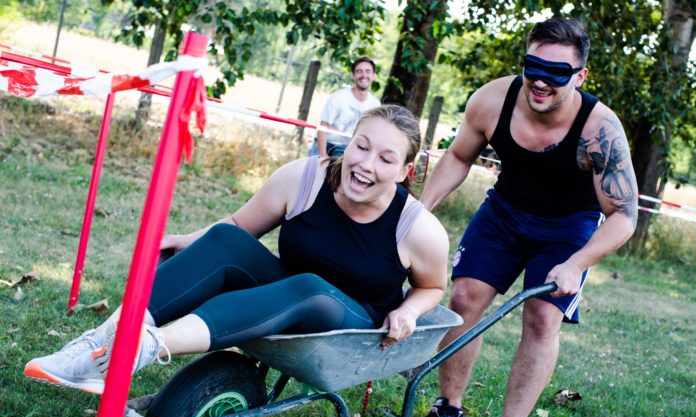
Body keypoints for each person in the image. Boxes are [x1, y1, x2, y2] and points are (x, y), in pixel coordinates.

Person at [24, 105, 449, 395]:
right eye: (362, 146)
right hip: (288, 296)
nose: (366, 165)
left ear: (405, 170)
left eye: (386, 158)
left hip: (353, 325)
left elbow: (433, 287)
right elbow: (238, 227)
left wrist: (409, 311)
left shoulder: (418, 229)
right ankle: (101, 344)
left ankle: (147, 346)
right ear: (349, 140)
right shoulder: (305, 178)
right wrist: (189, 241)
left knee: (309, 286)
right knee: (228, 242)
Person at [408, 18, 638, 417]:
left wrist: (577, 263)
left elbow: (625, 216)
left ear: (580, 76)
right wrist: (421, 210)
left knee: (541, 317)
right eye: (533, 66)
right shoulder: (494, 99)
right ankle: (449, 410)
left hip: (567, 228)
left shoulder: (600, 129)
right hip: (505, 212)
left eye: (556, 73)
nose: (540, 81)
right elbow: (458, 155)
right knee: (463, 298)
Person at [310, 56, 381, 157]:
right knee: (316, 170)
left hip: (351, 147)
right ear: (353, 75)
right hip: (328, 145)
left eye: (368, 71)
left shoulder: (375, 104)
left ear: (373, 75)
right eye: (359, 71)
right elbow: (323, 127)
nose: (364, 75)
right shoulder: (338, 97)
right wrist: (323, 158)